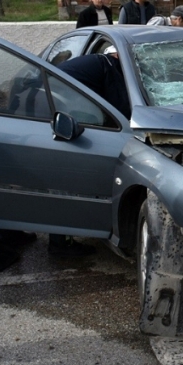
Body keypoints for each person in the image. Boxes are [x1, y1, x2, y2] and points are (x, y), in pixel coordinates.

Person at [48, 46, 130, 256]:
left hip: (51, 112)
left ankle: (53, 238)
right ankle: (60, 245)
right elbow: (121, 112)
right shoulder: (111, 68)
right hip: (60, 120)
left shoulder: (99, 62)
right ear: (120, 55)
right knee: (67, 184)